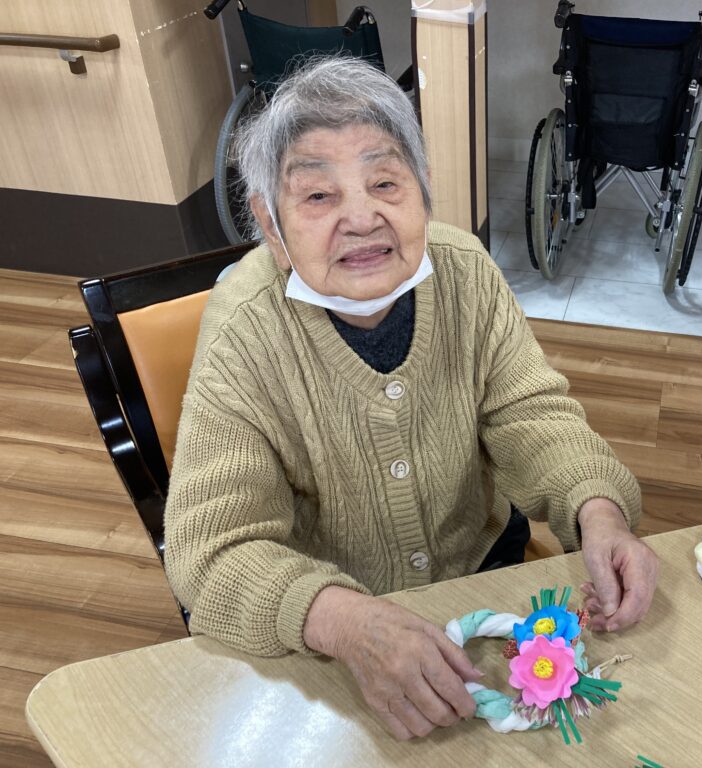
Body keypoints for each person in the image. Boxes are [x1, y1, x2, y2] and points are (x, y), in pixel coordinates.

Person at [164, 55, 658, 741]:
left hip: (481, 580)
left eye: (385, 182)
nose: (361, 217)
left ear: (423, 191)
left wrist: (597, 511)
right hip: (332, 628)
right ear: (271, 226)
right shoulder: (243, 330)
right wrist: (344, 622)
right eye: (318, 196)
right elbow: (211, 554)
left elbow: (530, 417)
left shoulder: (466, 272)